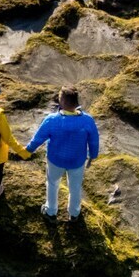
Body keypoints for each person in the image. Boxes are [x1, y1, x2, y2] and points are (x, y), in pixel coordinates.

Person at [27, 87, 99, 220]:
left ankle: (51, 211)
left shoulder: (52, 120)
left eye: (60, 98)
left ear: (63, 102)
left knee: (53, 184)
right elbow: (93, 141)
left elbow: (38, 138)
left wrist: (28, 150)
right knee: (75, 187)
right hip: (77, 161)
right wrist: (92, 156)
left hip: (55, 160)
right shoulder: (87, 121)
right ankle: (74, 213)